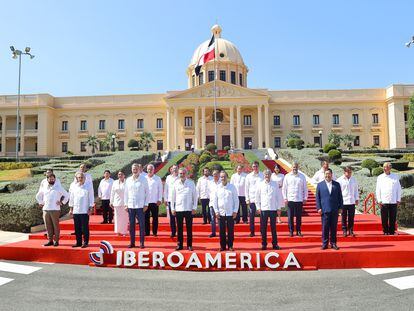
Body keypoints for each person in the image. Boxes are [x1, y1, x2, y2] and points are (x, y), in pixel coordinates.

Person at [36, 174, 69, 247]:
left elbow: (67, 195)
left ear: (55, 179)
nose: (51, 180)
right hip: (46, 209)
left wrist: (62, 202)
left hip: (55, 209)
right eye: (50, 179)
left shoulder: (58, 187)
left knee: (55, 226)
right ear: (47, 179)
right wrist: (41, 202)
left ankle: (56, 241)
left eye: (53, 179)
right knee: (48, 226)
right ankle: (50, 240)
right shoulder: (44, 187)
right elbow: (38, 196)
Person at [316, 169, 343, 250]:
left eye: (329, 174)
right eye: (326, 174)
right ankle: (325, 243)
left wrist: (340, 207)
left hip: (334, 210)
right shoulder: (320, 185)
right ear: (324, 174)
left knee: (334, 228)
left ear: (332, 174)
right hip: (324, 210)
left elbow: (340, 197)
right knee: (325, 228)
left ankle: (333, 243)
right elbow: (317, 198)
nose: (327, 175)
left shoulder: (337, 184)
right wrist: (319, 208)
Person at [171, 167, 197, 251]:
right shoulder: (175, 183)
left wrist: (194, 207)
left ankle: (189, 245)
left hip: (189, 209)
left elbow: (195, 196)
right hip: (179, 208)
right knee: (179, 228)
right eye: (180, 173)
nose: (182, 175)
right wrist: (172, 208)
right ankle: (180, 245)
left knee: (189, 228)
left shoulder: (191, 183)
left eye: (183, 173)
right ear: (178, 174)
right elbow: (172, 197)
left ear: (186, 174)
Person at [212, 171, 239, 251]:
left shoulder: (232, 187)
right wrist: (216, 211)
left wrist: (235, 211)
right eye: (221, 177)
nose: (223, 178)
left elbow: (236, 200)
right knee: (221, 231)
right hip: (221, 213)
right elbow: (214, 201)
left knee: (231, 231)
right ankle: (222, 246)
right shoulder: (217, 188)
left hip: (230, 212)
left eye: (224, 177)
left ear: (227, 177)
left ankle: (230, 246)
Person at [124, 163, 149, 248]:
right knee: (132, 225)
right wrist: (126, 204)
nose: (135, 170)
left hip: (141, 206)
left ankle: (142, 243)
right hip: (131, 205)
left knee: (142, 225)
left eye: (136, 169)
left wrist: (146, 204)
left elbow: (147, 193)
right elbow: (126, 193)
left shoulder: (144, 179)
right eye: (133, 169)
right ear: (131, 170)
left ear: (139, 169)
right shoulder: (128, 180)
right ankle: (132, 243)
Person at [256, 169, 281, 250]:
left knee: (273, 228)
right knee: (263, 228)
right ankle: (264, 244)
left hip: (273, 208)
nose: (267, 176)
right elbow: (257, 197)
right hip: (264, 209)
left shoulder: (275, 184)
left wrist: (278, 208)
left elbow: (278, 197)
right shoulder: (260, 184)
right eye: (266, 174)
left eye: (268, 174)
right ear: (264, 175)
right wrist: (258, 207)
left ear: (271, 175)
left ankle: (275, 244)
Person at [69, 172, 95, 248]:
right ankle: (78, 242)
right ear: (76, 178)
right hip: (76, 210)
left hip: (84, 210)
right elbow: (72, 198)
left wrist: (90, 208)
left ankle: (85, 242)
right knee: (77, 228)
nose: (80, 179)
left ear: (84, 178)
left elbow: (91, 198)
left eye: (81, 177)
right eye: (79, 178)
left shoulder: (88, 186)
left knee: (85, 228)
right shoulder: (74, 187)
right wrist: (71, 209)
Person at [282, 161, 308, 237]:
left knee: (299, 217)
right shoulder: (287, 176)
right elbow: (284, 188)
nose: (295, 168)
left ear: (298, 167)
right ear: (291, 167)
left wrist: (305, 198)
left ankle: (298, 231)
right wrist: (285, 198)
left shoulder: (302, 176)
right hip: (290, 199)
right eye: (293, 166)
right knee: (290, 217)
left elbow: (305, 188)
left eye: (296, 166)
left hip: (299, 199)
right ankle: (291, 231)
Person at [376, 162, 402, 235]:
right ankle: (385, 231)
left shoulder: (395, 176)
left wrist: (398, 199)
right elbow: (378, 189)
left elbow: (398, 189)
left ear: (390, 168)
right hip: (384, 200)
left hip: (393, 200)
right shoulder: (380, 177)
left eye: (386, 167)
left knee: (393, 217)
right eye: (384, 167)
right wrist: (379, 200)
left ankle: (392, 231)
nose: (385, 168)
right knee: (384, 217)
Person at [337, 166, 359, 237]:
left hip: (351, 201)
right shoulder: (339, 180)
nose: (349, 173)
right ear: (344, 172)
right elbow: (338, 192)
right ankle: (344, 230)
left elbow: (356, 190)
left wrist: (356, 198)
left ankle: (351, 230)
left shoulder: (354, 180)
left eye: (350, 172)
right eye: (348, 172)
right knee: (343, 217)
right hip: (343, 201)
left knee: (351, 217)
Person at [245, 161, 264, 237]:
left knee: (262, 217)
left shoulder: (262, 175)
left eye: (256, 166)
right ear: (252, 167)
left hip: (261, 199)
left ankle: (262, 231)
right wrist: (247, 199)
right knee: (251, 217)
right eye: (253, 166)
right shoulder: (248, 176)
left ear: (258, 166)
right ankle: (252, 231)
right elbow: (246, 188)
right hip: (252, 199)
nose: (255, 168)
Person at [145, 164, 163, 236]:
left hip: (155, 201)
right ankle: (147, 232)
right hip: (146, 202)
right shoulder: (144, 178)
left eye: (151, 169)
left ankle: (155, 232)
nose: (150, 170)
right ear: (147, 170)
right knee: (146, 218)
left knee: (155, 218)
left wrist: (159, 199)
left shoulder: (157, 178)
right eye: (148, 169)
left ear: (154, 170)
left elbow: (160, 189)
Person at [110, 171, 128, 236]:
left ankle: (124, 232)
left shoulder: (127, 182)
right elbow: (112, 193)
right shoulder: (115, 182)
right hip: (116, 202)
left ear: (124, 175)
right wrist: (111, 201)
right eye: (119, 174)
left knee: (124, 218)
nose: (120, 175)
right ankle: (118, 231)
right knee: (117, 218)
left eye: (121, 174)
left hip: (125, 203)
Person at [164, 165, 179, 237]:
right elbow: (166, 189)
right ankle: (173, 232)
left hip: (179, 200)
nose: (175, 170)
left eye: (176, 168)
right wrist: (165, 199)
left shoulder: (180, 177)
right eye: (173, 169)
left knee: (179, 217)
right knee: (172, 218)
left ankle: (179, 231)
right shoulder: (168, 178)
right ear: (171, 170)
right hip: (170, 200)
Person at [208, 170, 221, 238]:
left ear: (219, 175)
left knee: (220, 219)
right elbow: (209, 193)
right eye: (213, 175)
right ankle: (213, 232)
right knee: (213, 219)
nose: (215, 176)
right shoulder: (210, 183)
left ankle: (221, 232)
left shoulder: (221, 182)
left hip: (220, 204)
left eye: (216, 174)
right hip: (212, 204)